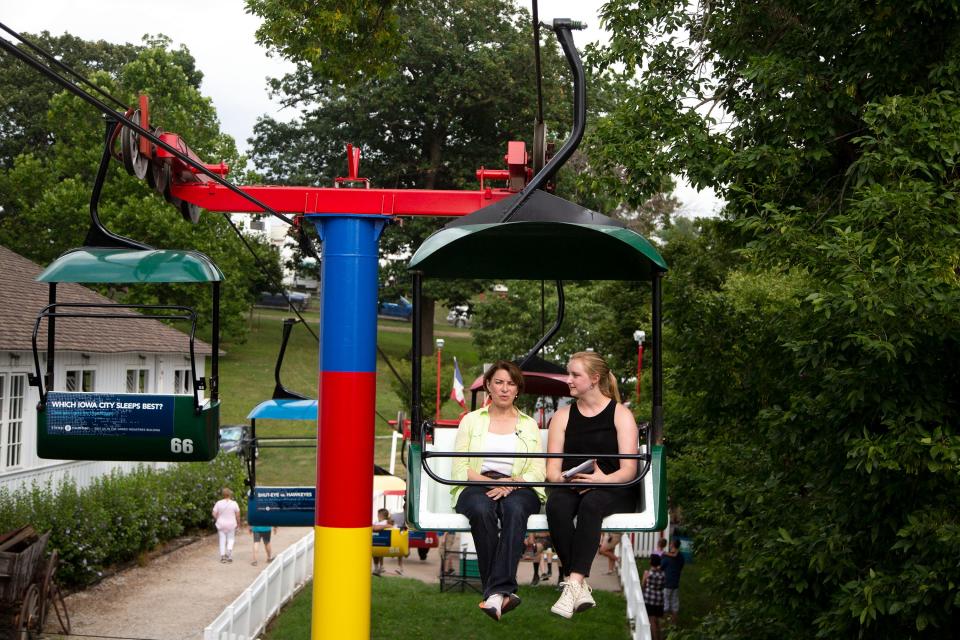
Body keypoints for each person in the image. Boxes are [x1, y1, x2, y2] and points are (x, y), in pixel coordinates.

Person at [545, 351, 640, 619]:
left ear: (595, 379)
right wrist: (568, 478)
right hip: (574, 486)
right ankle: (578, 586)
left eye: (575, 375)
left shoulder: (620, 415)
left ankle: (572, 581)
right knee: (556, 505)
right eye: (569, 373)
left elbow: (628, 470)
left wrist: (602, 479)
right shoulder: (563, 416)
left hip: (614, 488)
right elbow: (552, 471)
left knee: (592, 503)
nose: (569, 380)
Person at [451, 360, 545, 621]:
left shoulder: (528, 425)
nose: (505, 389)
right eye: (499, 382)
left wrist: (511, 484)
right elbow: (460, 468)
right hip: (477, 483)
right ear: (489, 387)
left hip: (519, 485)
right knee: (481, 509)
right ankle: (501, 590)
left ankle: (493, 593)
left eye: (511, 384)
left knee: (515, 508)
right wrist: (489, 483)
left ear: (518, 390)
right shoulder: (471, 421)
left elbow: (537, 471)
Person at [212, 487, 241, 563]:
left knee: (222, 540)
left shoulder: (218, 503)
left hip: (221, 524)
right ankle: (229, 555)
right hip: (231, 524)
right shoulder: (234, 503)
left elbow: (213, 513)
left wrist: (217, 519)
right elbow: (238, 515)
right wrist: (238, 523)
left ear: (223, 495)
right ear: (230, 494)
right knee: (230, 539)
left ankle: (222, 557)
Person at [661, 538, 686, 625]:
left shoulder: (666, 557)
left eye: (671, 543)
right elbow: (681, 566)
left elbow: (661, 567)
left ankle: (664, 624)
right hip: (676, 583)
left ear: (672, 544)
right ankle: (673, 624)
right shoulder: (681, 557)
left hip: (667, 582)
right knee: (675, 603)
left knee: (665, 603)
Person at [642, 554, 666, 640]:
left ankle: (655, 638)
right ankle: (662, 637)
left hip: (649, 599)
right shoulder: (663, 574)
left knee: (652, 620)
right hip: (659, 599)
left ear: (651, 562)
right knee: (659, 620)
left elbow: (643, 585)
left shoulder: (648, 573)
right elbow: (663, 585)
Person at [372, 508, 391, 576]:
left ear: (382, 515)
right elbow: (373, 526)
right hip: (377, 540)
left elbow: (375, 528)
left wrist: (376, 527)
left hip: (382, 540)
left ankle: (380, 567)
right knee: (375, 555)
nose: (377, 516)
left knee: (379, 553)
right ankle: (377, 568)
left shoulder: (385, 522)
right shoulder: (377, 522)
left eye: (378, 514)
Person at [389, 508, 407, 575]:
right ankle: (400, 568)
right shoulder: (399, 515)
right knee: (400, 552)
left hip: (400, 534)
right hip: (400, 534)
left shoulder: (396, 515)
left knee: (399, 552)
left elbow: (391, 521)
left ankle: (400, 568)